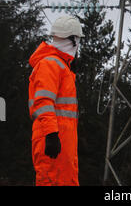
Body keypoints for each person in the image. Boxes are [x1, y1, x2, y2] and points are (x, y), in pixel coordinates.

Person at [28, 15, 84, 186]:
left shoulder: (59, 66)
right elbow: (43, 102)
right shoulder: (51, 64)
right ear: (73, 40)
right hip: (52, 138)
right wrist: (51, 134)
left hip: (61, 140)